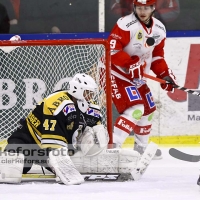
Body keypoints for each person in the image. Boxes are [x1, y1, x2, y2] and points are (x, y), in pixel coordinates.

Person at [108, 0, 177, 159]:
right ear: (134, 7)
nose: (142, 11)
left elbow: (157, 57)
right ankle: (112, 149)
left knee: (148, 110)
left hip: (137, 77)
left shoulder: (159, 29)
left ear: (153, 8)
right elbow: (112, 49)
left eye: (146, 8)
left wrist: (164, 74)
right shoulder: (126, 24)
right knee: (135, 109)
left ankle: (140, 150)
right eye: (139, 7)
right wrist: (130, 64)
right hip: (116, 72)